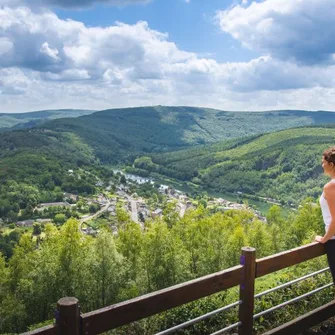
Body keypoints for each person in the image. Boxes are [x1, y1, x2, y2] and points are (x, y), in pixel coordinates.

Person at [314, 147, 335, 335]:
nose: (321, 165)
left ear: (331, 164)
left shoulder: (330, 187)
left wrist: (324, 238)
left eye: (323, 161)